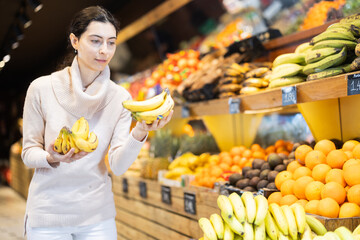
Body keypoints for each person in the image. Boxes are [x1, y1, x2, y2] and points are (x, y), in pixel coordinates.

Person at [21, 6, 173, 240]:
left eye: (111, 43)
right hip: (48, 216)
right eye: (95, 41)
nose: (104, 50)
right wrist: (52, 157)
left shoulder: (121, 99)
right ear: (75, 41)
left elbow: (119, 166)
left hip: (97, 219)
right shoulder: (41, 89)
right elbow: (28, 152)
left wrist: (141, 131)